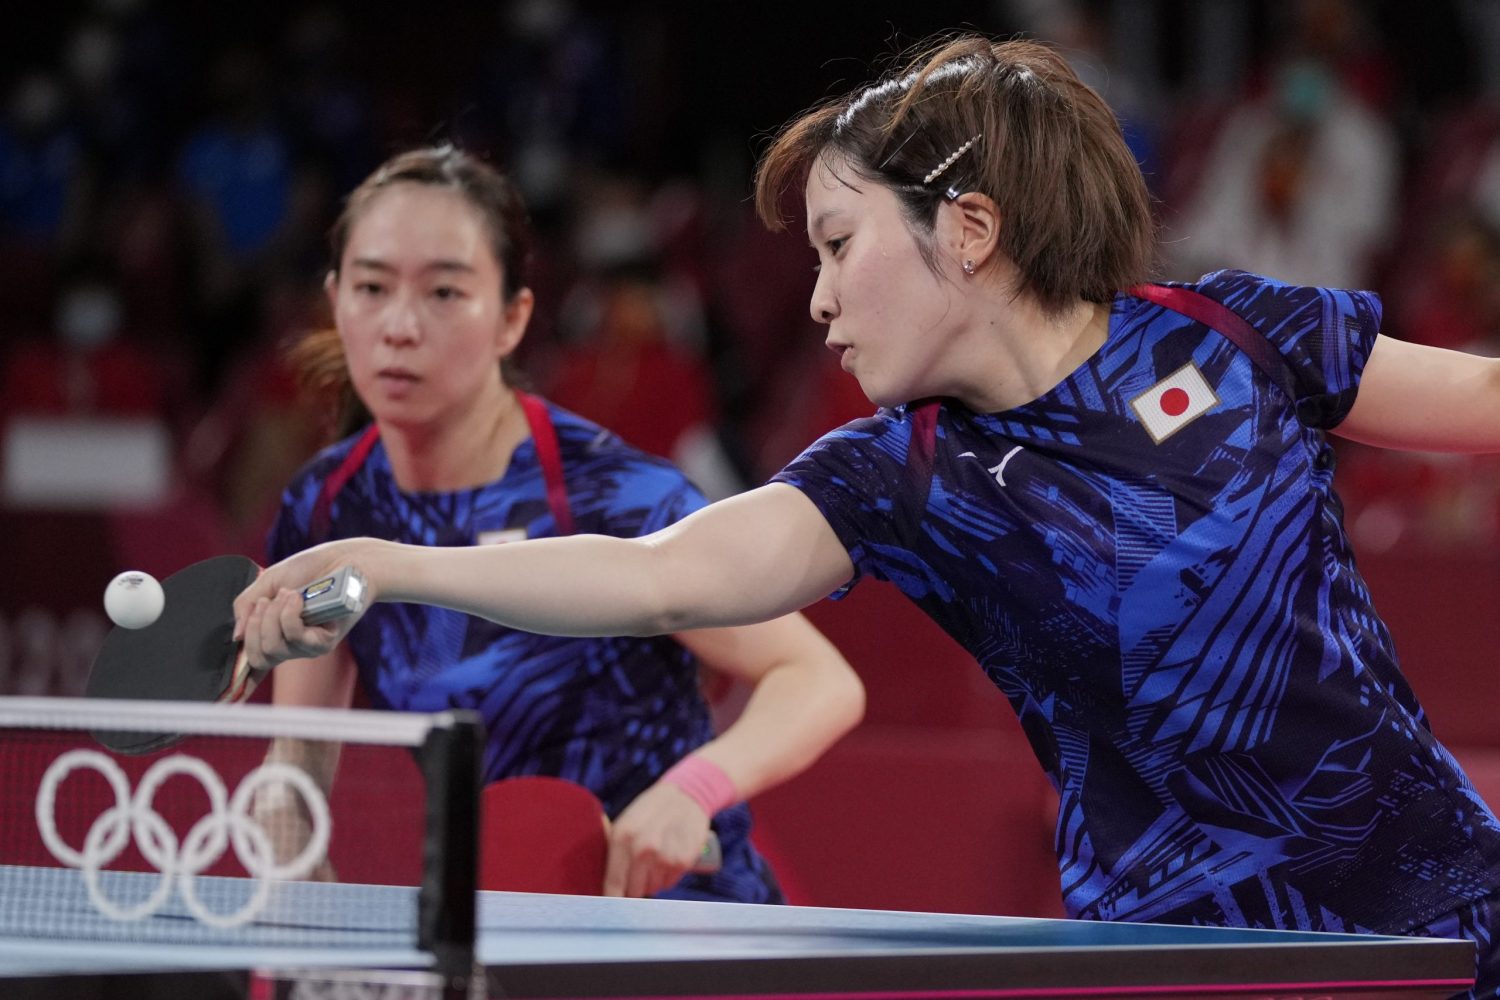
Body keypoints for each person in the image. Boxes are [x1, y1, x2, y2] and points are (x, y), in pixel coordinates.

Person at [235, 37, 1500, 995]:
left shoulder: (1235, 334)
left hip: (1451, 915)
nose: (818, 298)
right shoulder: (901, 477)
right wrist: (392, 561)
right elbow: (663, 577)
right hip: (1179, 953)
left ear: (967, 232)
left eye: (841, 244)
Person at [252, 145, 864, 903]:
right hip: (498, 925)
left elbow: (818, 679)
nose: (400, 326)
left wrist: (694, 789)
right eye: (372, 287)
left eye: (445, 293)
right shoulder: (329, 506)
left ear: (513, 319)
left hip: (681, 919)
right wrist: (285, 818)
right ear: (336, 298)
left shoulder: (608, 491)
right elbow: (300, 757)